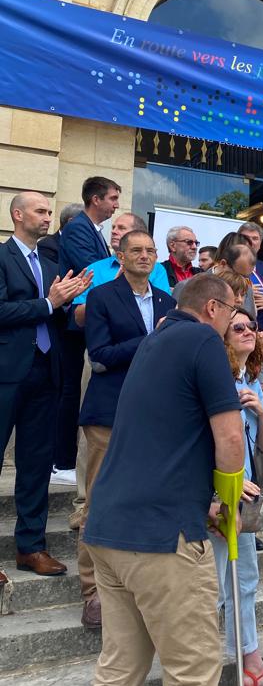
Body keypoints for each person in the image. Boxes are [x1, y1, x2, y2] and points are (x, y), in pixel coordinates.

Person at [84, 274, 245, 686]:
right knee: (192, 674)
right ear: (213, 308)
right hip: (164, 535)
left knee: (119, 670)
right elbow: (231, 437)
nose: (235, 321)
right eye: (233, 312)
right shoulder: (202, 340)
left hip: (108, 528)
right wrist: (227, 500)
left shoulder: (153, 341)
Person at [77, 230, 176, 629]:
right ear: (119, 255)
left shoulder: (169, 301)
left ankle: (136, 582)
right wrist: (152, 338)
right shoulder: (101, 297)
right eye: (136, 250)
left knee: (146, 498)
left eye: (150, 251)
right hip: (108, 413)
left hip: (154, 415)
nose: (144, 256)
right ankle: (91, 591)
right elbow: (99, 356)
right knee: (99, 499)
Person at [0, 192, 89, 576]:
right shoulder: (1, 258)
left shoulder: (52, 262)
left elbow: (56, 316)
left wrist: (71, 304)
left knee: (36, 465)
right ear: (18, 215)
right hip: (6, 374)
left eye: (49, 211)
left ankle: (31, 548)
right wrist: (49, 303)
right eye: (40, 211)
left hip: (45, 374)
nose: (47, 217)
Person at [211, 308, 263, 686]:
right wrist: (220, 487)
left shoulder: (252, 379)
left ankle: (252, 664)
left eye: (250, 327)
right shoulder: (214, 377)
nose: (246, 332)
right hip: (217, 498)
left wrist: (259, 410)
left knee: (246, 583)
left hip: (248, 499)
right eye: (236, 327)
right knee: (212, 592)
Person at [54, 177, 121, 485]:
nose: (116, 205)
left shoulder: (93, 231)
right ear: (96, 200)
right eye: (112, 198)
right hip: (74, 322)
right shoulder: (78, 228)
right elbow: (92, 273)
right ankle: (63, 460)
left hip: (86, 322)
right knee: (70, 391)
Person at [72, 213, 171, 326]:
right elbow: (79, 319)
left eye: (121, 228)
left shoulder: (156, 269)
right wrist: (111, 292)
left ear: (139, 234)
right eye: (113, 227)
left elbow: (161, 311)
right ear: (120, 257)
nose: (113, 231)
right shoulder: (94, 269)